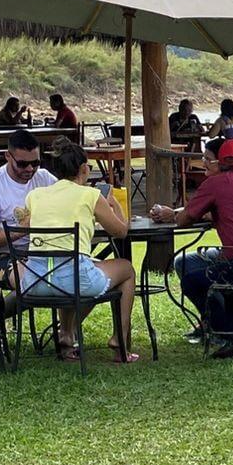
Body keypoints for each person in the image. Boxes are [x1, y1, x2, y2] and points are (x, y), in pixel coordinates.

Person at [150, 137, 233, 358]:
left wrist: (173, 214)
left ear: (220, 163)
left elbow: (184, 219)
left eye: (207, 159)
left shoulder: (216, 183)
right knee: (187, 262)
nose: (204, 163)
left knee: (194, 277)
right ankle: (227, 325)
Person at [20, 140, 138, 362]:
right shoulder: (90, 195)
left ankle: (66, 335)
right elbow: (121, 231)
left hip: (35, 281)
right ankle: (119, 340)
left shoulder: (34, 196)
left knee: (70, 264)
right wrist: (113, 204)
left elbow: (25, 224)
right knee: (126, 268)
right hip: (74, 280)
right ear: (84, 169)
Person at [0, 129, 58, 252]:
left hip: (44, 249)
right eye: (22, 164)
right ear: (8, 156)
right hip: (7, 254)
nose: (30, 169)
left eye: (35, 163)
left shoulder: (45, 178)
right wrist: (21, 230)